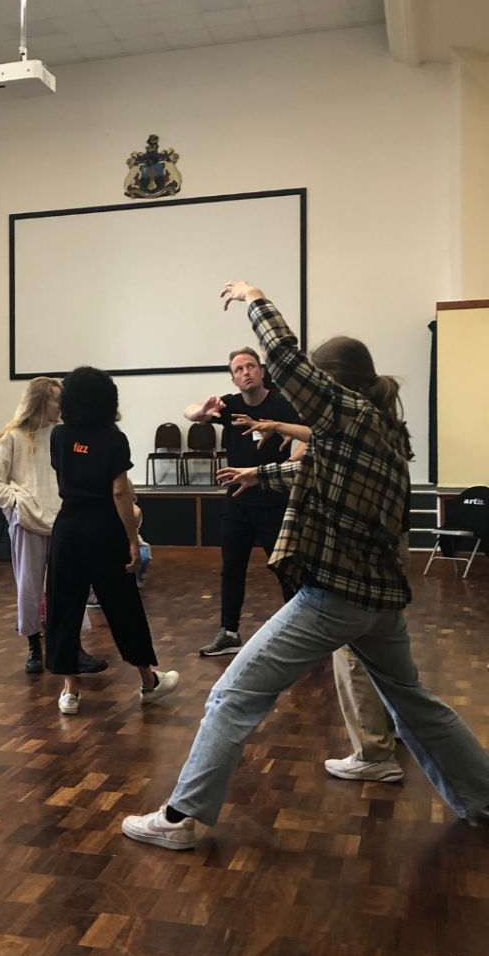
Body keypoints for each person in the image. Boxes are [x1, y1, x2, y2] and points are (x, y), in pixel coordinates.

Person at [122, 281, 489, 852]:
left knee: (231, 695)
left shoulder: (348, 412)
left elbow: (286, 359)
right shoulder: (378, 426)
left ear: (332, 383)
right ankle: (483, 794)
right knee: (415, 700)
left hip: (337, 595)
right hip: (380, 597)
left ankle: (180, 817)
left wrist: (254, 298)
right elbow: (315, 467)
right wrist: (257, 475)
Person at [234, 414, 408, 785]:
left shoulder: (353, 427)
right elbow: (315, 453)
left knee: (352, 654)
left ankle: (374, 753)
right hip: (383, 554)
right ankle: (391, 729)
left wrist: (263, 462)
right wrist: (277, 435)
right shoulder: (377, 423)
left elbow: (313, 465)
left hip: (358, 559)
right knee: (386, 658)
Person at [45, 367, 178, 715]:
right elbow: (120, 491)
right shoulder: (113, 438)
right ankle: (148, 681)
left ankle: (70, 691)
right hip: (103, 527)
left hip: (68, 526)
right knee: (123, 604)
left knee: (64, 606)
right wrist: (133, 541)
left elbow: (66, 471)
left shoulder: (59, 436)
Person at [0, 377, 106, 676]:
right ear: (39, 402)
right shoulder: (13, 437)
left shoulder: (64, 435)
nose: (61, 405)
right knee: (30, 587)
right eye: (55, 399)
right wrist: (14, 502)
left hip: (64, 519)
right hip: (28, 521)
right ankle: (34, 647)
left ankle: (71, 648)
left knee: (69, 588)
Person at [184, 346, 303, 658]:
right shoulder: (231, 405)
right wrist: (201, 411)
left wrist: (292, 461)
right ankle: (229, 632)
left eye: (250, 366)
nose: (246, 372)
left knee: (286, 569)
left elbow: (308, 434)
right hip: (237, 503)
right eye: (239, 369)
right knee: (231, 569)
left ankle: (301, 632)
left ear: (262, 372)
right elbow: (191, 412)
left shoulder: (280, 402)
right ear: (234, 379)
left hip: (274, 502)